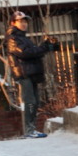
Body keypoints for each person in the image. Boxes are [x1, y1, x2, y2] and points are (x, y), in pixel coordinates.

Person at [4, 10, 59, 139]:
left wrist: (47, 46)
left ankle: (32, 129)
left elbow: (33, 52)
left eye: (25, 21)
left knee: (34, 102)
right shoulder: (13, 38)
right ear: (13, 23)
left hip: (30, 72)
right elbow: (25, 53)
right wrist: (45, 47)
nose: (24, 24)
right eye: (21, 21)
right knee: (30, 101)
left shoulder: (22, 37)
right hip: (24, 73)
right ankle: (29, 130)